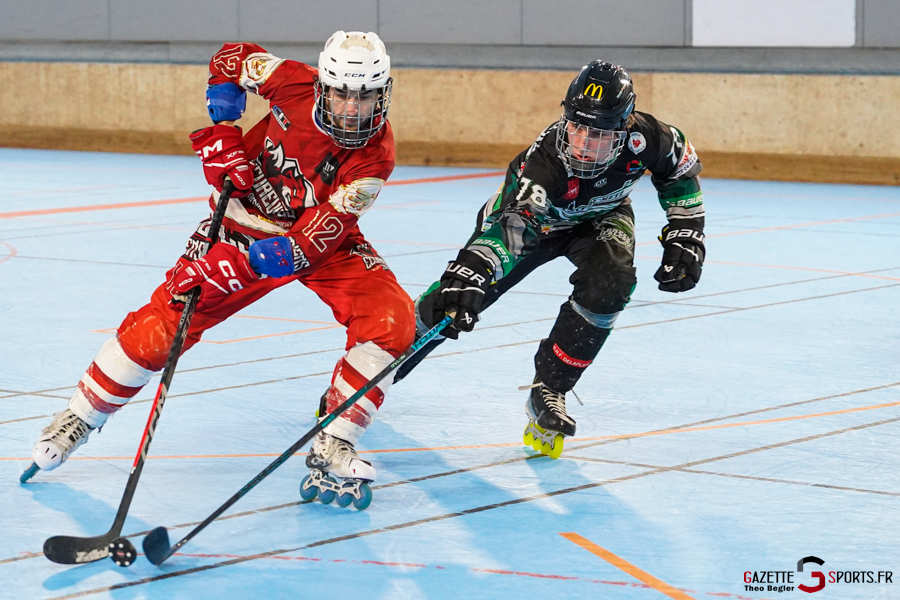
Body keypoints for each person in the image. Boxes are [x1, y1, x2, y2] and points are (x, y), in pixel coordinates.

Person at [28, 31, 414, 506]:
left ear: (384, 92)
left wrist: (232, 267)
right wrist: (226, 126)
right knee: (165, 325)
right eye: (342, 94)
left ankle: (336, 436)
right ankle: (78, 418)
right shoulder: (290, 80)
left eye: (367, 97)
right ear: (322, 86)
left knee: (392, 318)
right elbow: (230, 57)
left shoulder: (375, 156)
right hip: (239, 221)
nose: (353, 110)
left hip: (318, 239)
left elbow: (308, 245)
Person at [394, 60, 705, 458]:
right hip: (530, 223)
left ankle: (551, 388)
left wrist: (686, 232)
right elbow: (513, 229)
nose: (582, 143)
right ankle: (381, 365)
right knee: (459, 296)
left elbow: (679, 175)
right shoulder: (544, 166)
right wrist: (474, 271)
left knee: (612, 282)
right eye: (576, 127)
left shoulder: (652, 138)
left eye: (597, 134)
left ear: (624, 127)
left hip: (601, 217)